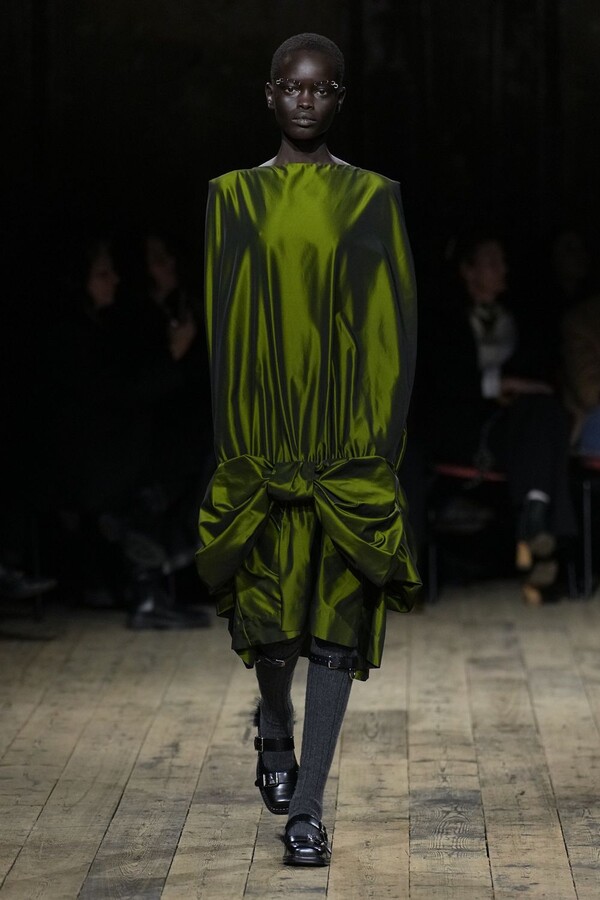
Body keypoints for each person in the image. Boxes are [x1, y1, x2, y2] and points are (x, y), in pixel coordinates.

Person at [195, 33, 419, 866]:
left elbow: (393, 329)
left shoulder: (372, 199)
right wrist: (241, 448)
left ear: (338, 99)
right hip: (265, 446)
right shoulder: (232, 199)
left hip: (342, 446)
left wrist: (374, 449)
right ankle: (275, 719)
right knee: (273, 628)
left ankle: (310, 808)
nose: (304, 99)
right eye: (291, 86)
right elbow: (225, 333)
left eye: (320, 88)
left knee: (334, 626)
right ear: (269, 94)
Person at [419, 234, 575, 604]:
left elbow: (539, 373)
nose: (503, 269)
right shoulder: (442, 320)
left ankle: (534, 517)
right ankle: (540, 532)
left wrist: (520, 389)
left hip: (513, 430)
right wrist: (497, 384)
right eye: (492, 262)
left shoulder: (520, 318)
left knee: (545, 412)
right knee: (545, 436)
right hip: (463, 431)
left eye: (503, 262)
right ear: (468, 271)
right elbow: (439, 382)